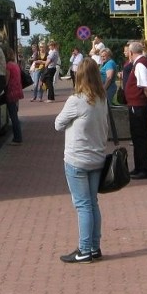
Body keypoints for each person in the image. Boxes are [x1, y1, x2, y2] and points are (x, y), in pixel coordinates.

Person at [54, 58, 109, 264]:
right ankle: (95, 247)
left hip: (77, 160)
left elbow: (58, 124)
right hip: (97, 159)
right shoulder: (102, 99)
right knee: (93, 203)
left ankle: (84, 250)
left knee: (83, 205)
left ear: (79, 76)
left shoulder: (76, 100)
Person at [125, 41, 147, 180]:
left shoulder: (140, 64)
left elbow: (145, 86)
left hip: (138, 105)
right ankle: (139, 167)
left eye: (128, 53)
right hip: (137, 104)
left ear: (131, 53)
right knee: (137, 137)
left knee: (140, 138)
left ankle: (145, 169)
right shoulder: (142, 63)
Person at [5, 47, 24, 145]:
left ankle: (17, 138)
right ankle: (18, 137)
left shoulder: (8, 66)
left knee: (13, 116)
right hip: (17, 91)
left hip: (11, 92)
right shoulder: (15, 65)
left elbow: (6, 81)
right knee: (14, 114)